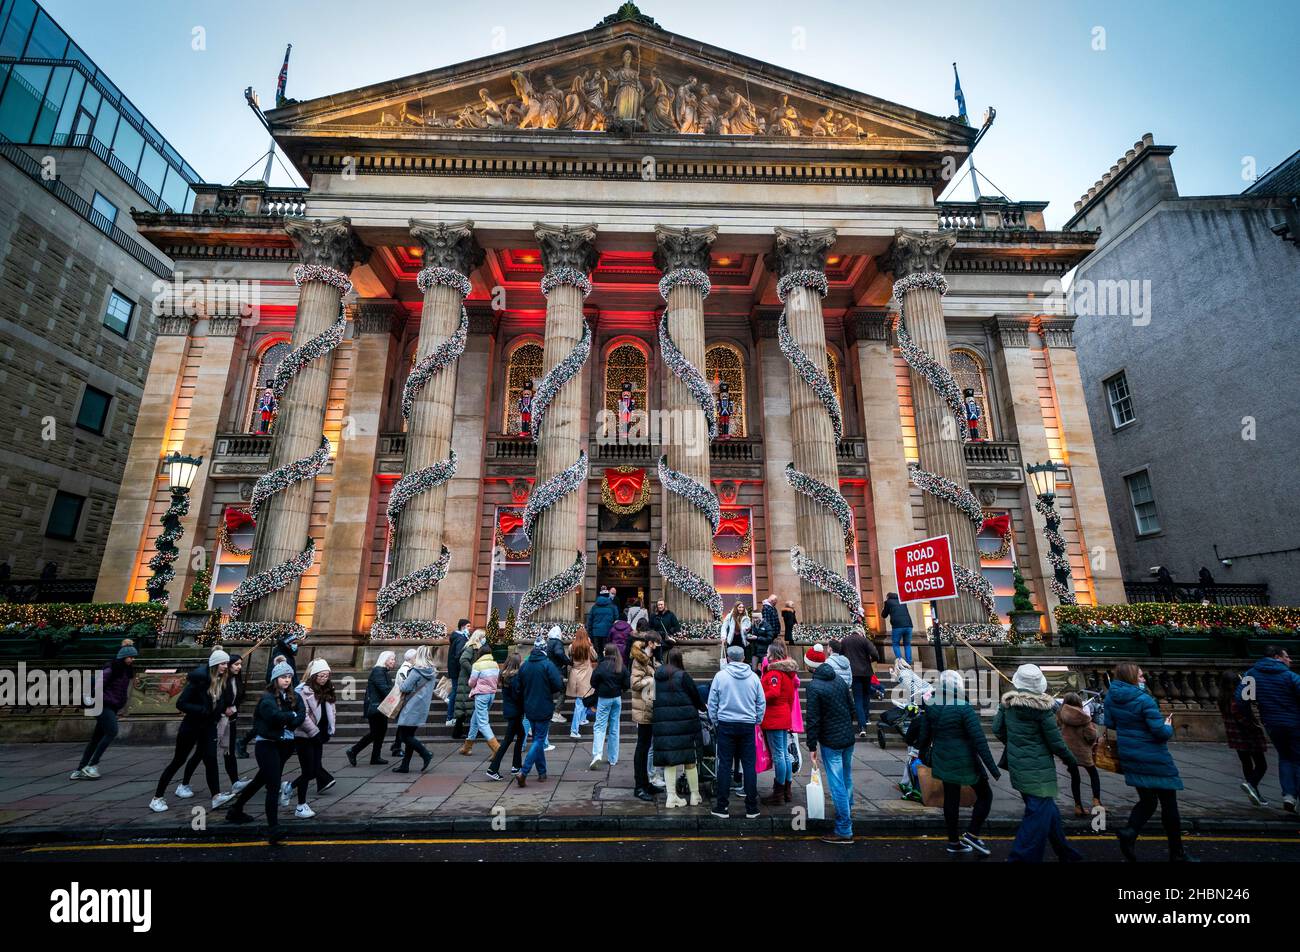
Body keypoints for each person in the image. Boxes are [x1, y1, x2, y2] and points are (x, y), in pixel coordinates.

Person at [993, 663, 1082, 863]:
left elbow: (998, 729)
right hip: (1039, 769)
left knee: (1046, 810)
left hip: (1018, 765)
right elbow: (1056, 742)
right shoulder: (1043, 710)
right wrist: (1070, 760)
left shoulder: (1007, 705)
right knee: (1037, 814)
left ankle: (1066, 853)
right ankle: (1020, 858)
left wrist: (1015, 744)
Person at [1104, 662, 1190, 861]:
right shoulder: (1144, 700)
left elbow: (1109, 723)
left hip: (1130, 755)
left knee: (1148, 800)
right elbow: (1160, 733)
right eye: (1141, 676)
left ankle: (1130, 832)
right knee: (1169, 805)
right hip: (1153, 756)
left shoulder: (1111, 697)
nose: (1144, 680)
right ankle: (1177, 853)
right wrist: (1167, 725)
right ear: (1131, 678)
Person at [916, 669, 1000, 854]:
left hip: (942, 757)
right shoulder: (963, 706)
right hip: (965, 759)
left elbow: (924, 735)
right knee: (985, 795)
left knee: (951, 798)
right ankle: (972, 834)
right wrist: (993, 768)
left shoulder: (931, 703)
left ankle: (953, 842)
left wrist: (922, 753)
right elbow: (979, 740)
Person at [226, 660, 305, 840]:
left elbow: (301, 714)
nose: (287, 680)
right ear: (275, 679)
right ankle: (273, 828)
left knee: (259, 780)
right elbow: (274, 717)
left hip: (284, 745)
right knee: (273, 785)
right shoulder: (267, 699)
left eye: (289, 677)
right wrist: (290, 716)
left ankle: (235, 809)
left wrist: (291, 717)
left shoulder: (293, 696)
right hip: (267, 744)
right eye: (283, 677)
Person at [150, 649, 233, 813]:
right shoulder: (199, 681)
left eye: (226, 663)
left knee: (211, 759)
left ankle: (216, 796)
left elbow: (219, 702)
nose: (226, 666)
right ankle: (157, 798)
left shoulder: (221, 681)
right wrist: (202, 710)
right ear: (215, 664)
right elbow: (181, 703)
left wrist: (221, 710)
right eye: (223, 663)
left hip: (208, 726)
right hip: (191, 726)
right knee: (178, 760)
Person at [1238, 646, 1300, 814]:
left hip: (1272, 724)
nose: (1290, 660)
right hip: (1295, 723)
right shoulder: (1290, 676)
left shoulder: (1251, 674)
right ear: (1277, 657)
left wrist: (1251, 718)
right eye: (1287, 656)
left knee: (1285, 758)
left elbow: (1242, 700)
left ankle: (1288, 796)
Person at [805, 646, 857, 844]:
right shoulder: (840, 680)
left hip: (831, 741)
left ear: (810, 666)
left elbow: (813, 720)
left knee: (837, 786)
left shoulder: (814, 687)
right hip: (847, 738)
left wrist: (811, 747)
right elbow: (852, 709)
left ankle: (844, 829)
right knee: (847, 778)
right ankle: (848, 813)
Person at [708, 645, 766, 819]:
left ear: (729, 658)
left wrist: (716, 721)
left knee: (724, 765)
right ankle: (751, 807)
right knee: (749, 765)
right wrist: (757, 720)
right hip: (747, 725)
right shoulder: (754, 678)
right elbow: (761, 702)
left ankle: (722, 806)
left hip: (726, 724)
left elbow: (712, 703)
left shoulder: (720, 676)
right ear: (743, 659)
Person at [180, 652, 248, 796]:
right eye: (236, 664)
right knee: (201, 753)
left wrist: (233, 708)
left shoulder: (236, 679)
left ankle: (235, 782)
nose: (239, 667)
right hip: (217, 720)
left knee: (229, 751)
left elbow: (238, 697)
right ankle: (184, 783)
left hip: (230, 720)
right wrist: (224, 709)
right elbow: (216, 700)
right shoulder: (220, 680)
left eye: (240, 664)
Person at [72, 640, 137, 780]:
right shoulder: (110, 670)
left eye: (133, 657)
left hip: (111, 705)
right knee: (112, 731)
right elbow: (97, 688)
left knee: (96, 738)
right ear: (123, 657)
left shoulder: (125, 671)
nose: (133, 659)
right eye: (130, 657)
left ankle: (79, 769)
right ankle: (92, 765)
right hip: (102, 705)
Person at [290, 658, 336, 819]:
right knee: (308, 770)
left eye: (326, 676)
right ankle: (300, 804)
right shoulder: (303, 691)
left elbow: (331, 709)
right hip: (306, 736)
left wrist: (330, 728)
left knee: (314, 769)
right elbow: (304, 717)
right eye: (321, 676)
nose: (324, 679)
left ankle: (290, 789)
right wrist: (314, 732)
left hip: (320, 735)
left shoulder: (328, 689)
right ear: (314, 676)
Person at [516, 632, 564, 787]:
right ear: (544, 649)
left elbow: (518, 686)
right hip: (544, 706)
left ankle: (542, 772)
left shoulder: (525, 665)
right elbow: (558, 684)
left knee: (537, 738)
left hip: (529, 707)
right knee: (539, 740)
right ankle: (524, 771)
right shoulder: (547, 664)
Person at [1219, 670, 1269, 807]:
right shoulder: (1237, 697)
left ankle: (1254, 792)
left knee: (1246, 763)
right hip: (1247, 736)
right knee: (1261, 765)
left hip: (1235, 736)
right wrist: (1255, 726)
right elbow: (1241, 717)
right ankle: (1251, 785)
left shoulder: (1223, 697)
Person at [760, 643, 798, 805]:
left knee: (779, 755)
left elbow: (774, 693)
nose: (766, 653)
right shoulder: (787, 674)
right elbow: (789, 696)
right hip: (783, 716)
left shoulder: (775, 673)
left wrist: (760, 695)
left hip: (774, 718)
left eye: (768, 651)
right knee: (784, 754)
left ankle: (778, 794)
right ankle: (786, 791)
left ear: (773, 654)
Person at [393, 645, 436, 773]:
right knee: (409, 735)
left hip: (410, 706)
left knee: (404, 736)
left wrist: (401, 683)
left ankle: (425, 753)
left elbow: (405, 687)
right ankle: (404, 766)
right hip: (422, 707)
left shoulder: (416, 671)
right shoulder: (432, 671)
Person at [1057, 692, 1102, 817]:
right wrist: (1091, 742)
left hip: (1069, 751)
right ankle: (1096, 801)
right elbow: (1091, 735)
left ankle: (1078, 806)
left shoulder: (1061, 714)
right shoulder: (1083, 717)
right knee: (1093, 774)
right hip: (1083, 751)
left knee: (1075, 778)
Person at [347, 650, 396, 766]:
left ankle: (375, 757)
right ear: (385, 660)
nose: (394, 662)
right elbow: (385, 689)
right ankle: (353, 751)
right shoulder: (378, 671)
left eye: (394, 659)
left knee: (381, 731)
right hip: (375, 707)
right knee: (375, 733)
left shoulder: (383, 671)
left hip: (381, 707)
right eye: (392, 659)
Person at [589, 644, 630, 769]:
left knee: (599, 727)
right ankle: (613, 758)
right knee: (614, 728)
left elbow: (593, 682)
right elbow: (627, 683)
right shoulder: (620, 666)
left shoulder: (602, 666)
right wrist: (620, 690)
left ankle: (597, 754)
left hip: (604, 699)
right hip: (617, 699)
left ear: (606, 652)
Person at [630, 631, 659, 801]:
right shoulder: (638, 660)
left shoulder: (649, 659)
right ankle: (639, 786)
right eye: (657, 643)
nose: (658, 646)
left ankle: (646, 783)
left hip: (648, 706)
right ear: (650, 643)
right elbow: (634, 684)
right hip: (642, 708)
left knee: (646, 745)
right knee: (642, 747)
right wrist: (651, 681)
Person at [486, 653, 525, 781]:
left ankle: (516, 765)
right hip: (515, 712)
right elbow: (517, 696)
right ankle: (493, 768)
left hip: (510, 711)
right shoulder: (515, 678)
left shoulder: (504, 676)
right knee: (508, 740)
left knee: (521, 735)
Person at [463, 637, 501, 756]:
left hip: (481, 695)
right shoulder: (495, 664)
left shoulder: (477, 665)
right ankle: (467, 747)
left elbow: (471, 682)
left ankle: (497, 748)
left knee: (483, 722)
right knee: (475, 720)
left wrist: (471, 684)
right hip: (491, 694)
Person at [841, 627, 880, 735]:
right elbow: (875, 654)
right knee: (866, 696)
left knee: (857, 698)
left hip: (853, 673)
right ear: (861, 633)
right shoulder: (864, 640)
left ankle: (862, 726)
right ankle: (866, 719)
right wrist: (871, 660)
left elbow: (840, 655)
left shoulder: (845, 641)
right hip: (866, 672)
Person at [453, 628, 486, 746]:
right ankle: (471, 731)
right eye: (483, 637)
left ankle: (460, 732)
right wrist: (473, 671)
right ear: (479, 638)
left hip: (468, 680)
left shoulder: (475, 647)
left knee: (465, 706)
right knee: (466, 706)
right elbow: (463, 660)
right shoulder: (472, 647)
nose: (485, 639)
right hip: (467, 680)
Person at [565, 625, 596, 738]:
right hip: (585, 675)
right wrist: (591, 644)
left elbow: (570, 658)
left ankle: (582, 719)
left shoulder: (571, 646)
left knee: (581, 700)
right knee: (580, 702)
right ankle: (574, 730)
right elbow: (595, 657)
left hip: (575, 675)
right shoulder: (588, 647)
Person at [389, 649, 418, 757]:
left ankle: (396, 745)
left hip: (405, 700)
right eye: (416, 657)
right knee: (403, 725)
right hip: (403, 700)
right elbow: (405, 686)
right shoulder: (405, 670)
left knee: (402, 725)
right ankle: (397, 747)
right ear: (412, 659)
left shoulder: (409, 668)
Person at [545, 625, 572, 725]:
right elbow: (559, 653)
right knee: (563, 691)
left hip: (549, 670)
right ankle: (556, 712)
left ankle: (548, 711)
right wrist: (568, 662)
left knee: (550, 692)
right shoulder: (557, 642)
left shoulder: (549, 642)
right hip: (556, 671)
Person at [446, 619, 470, 728]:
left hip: (454, 669)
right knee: (456, 692)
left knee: (455, 691)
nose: (470, 628)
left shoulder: (457, 637)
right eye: (468, 626)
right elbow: (459, 655)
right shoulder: (461, 638)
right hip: (457, 671)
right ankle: (450, 717)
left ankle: (451, 714)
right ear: (463, 627)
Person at [880, 592, 914, 665]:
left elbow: (884, 615)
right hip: (908, 625)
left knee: (895, 644)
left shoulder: (888, 602)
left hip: (897, 626)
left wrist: (883, 609)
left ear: (888, 597)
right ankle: (909, 662)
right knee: (907, 644)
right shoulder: (902, 601)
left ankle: (900, 663)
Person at [586, 587, 618, 655]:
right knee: (607, 652)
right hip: (607, 632)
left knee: (598, 653)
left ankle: (599, 664)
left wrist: (590, 633)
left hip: (596, 633)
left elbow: (590, 621)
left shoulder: (594, 607)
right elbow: (616, 619)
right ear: (608, 595)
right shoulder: (612, 607)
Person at [719, 601, 751, 666]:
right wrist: (723, 636)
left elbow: (746, 628)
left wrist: (746, 630)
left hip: (741, 639)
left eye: (742, 607)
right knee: (730, 656)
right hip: (732, 639)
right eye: (739, 607)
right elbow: (724, 627)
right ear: (736, 607)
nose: (741, 609)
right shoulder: (730, 616)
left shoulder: (746, 617)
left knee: (741, 656)